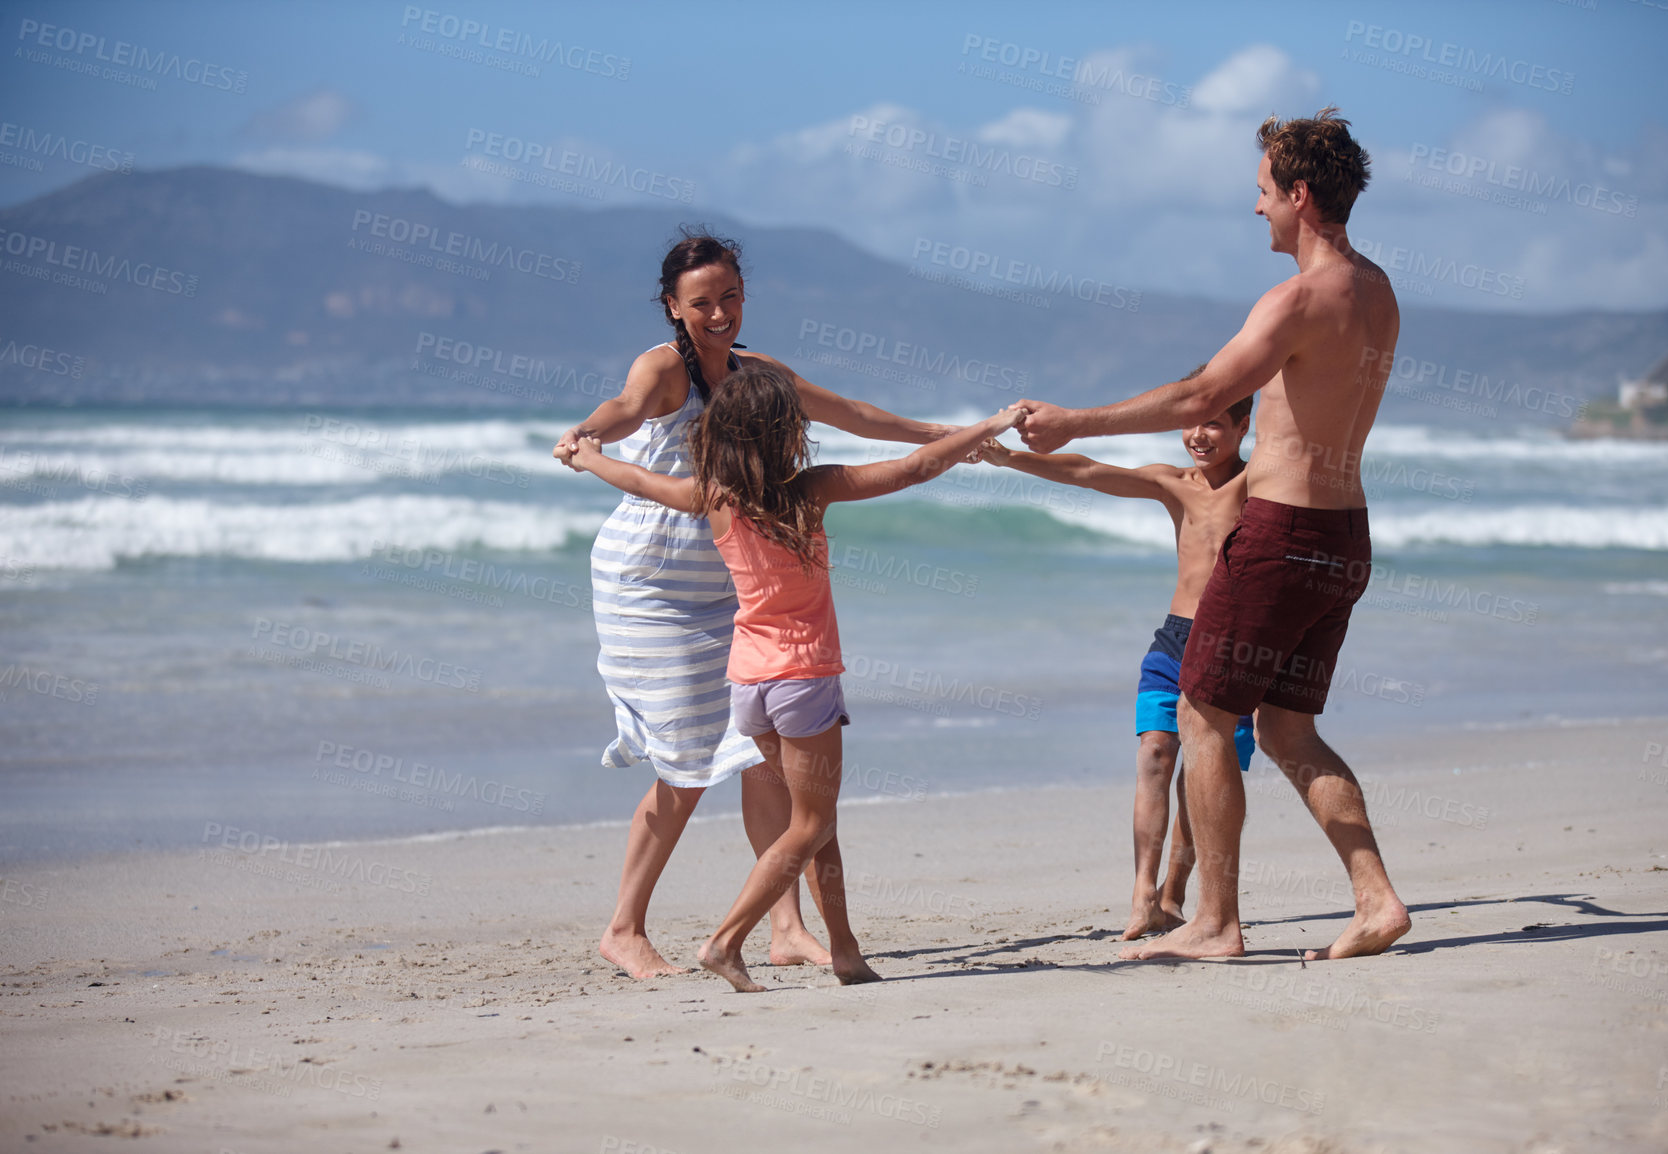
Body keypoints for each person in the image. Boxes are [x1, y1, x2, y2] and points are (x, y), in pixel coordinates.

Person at [1014, 107, 1411, 962]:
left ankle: (1215, 923)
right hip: (1346, 534)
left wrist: (1075, 420)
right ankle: (1375, 899)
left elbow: (1203, 398)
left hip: (1282, 535)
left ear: (1300, 195)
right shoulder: (1379, 293)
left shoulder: (1299, 297)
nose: (1256, 208)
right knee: (1288, 728)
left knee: (1201, 709)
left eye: (1264, 192)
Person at [552, 230, 952, 979]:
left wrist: (949, 434)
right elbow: (625, 408)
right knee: (687, 761)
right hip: (650, 582)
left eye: (730, 296)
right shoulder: (664, 367)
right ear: (673, 306)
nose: (719, 313)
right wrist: (585, 436)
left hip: (731, 584)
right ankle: (624, 927)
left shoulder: (759, 374)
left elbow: (856, 416)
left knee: (761, 758)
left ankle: (787, 928)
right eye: (701, 302)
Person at [570, 362, 1027, 990]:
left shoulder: (713, 495)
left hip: (749, 684)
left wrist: (588, 456)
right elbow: (916, 468)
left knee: (818, 822)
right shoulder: (809, 489)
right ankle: (727, 941)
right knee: (809, 824)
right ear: (789, 432)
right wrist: (991, 424)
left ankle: (845, 950)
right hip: (804, 678)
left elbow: (638, 479)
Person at [978, 376, 1257, 941]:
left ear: (1243, 426)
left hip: (1234, 646)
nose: (1198, 436)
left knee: (1202, 776)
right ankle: (1143, 896)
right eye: (1191, 422)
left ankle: (1178, 889)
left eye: (1214, 424)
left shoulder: (1263, 485)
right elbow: (1087, 472)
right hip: (1176, 638)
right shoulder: (1174, 483)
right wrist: (1009, 460)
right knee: (1156, 755)